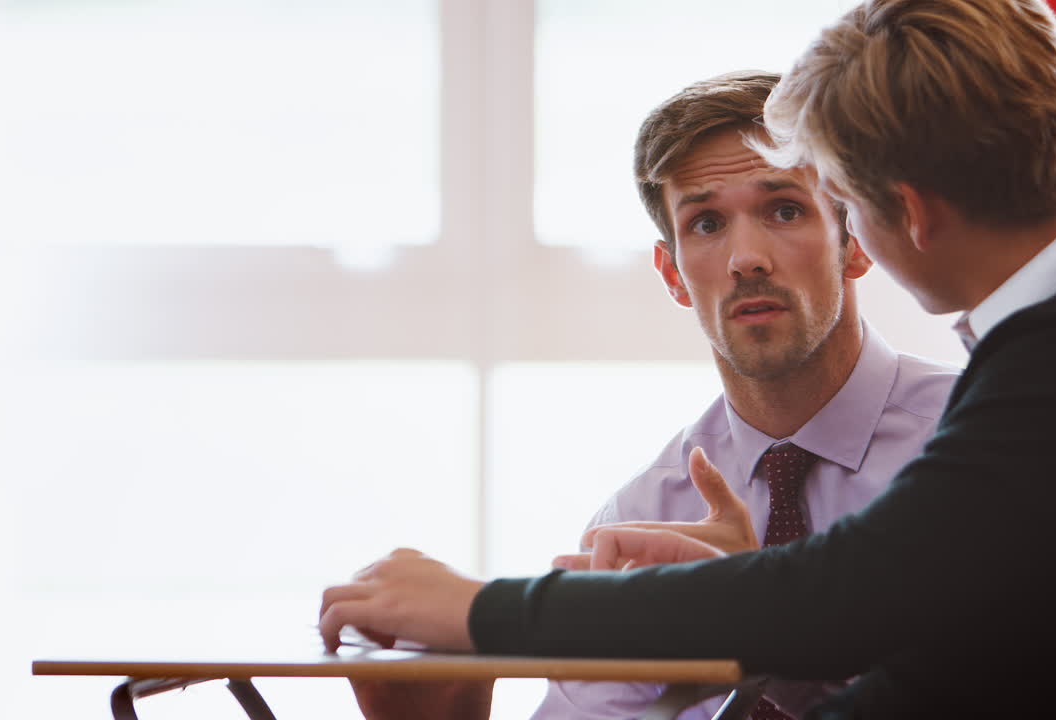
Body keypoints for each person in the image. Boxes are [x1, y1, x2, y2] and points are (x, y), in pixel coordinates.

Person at [320, 0, 1056, 716]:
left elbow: (847, 598)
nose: (749, 254)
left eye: (819, 201)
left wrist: (480, 611)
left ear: (894, 220)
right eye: (708, 224)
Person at [345, 69, 960, 720]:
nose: (745, 258)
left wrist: (750, 613)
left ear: (854, 241)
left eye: (784, 209)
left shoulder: (978, 440)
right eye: (706, 223)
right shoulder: (638, 520)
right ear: (672, 274)